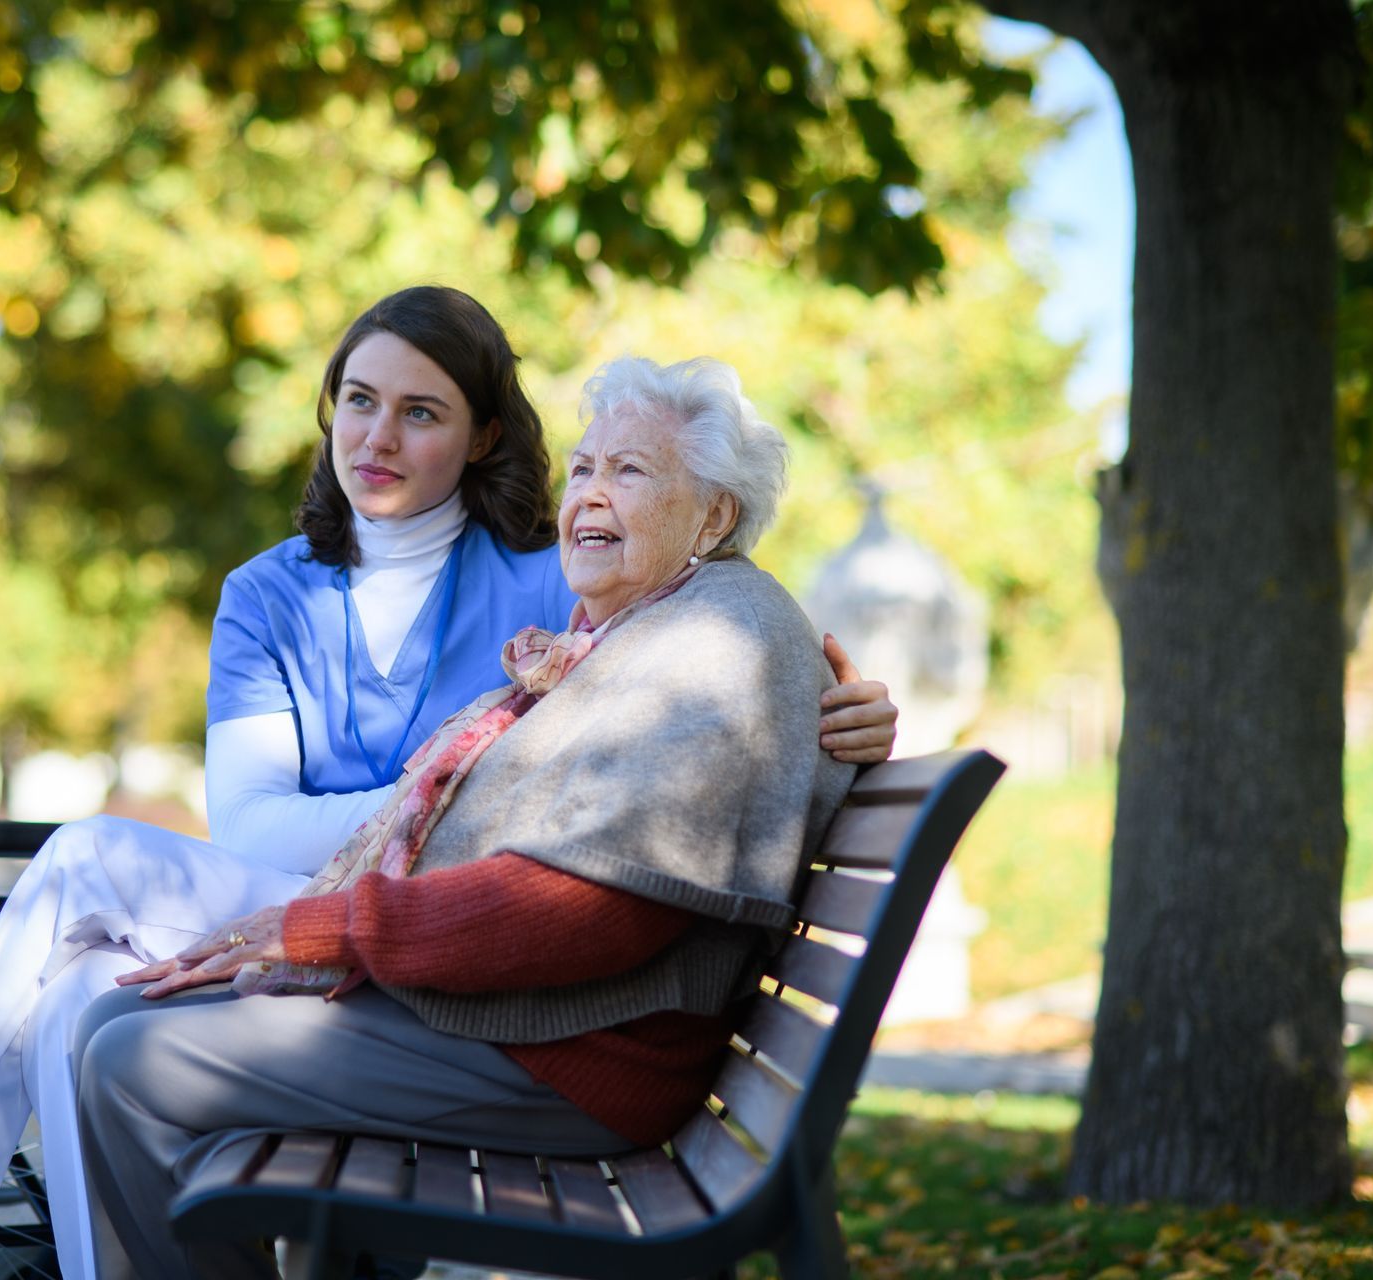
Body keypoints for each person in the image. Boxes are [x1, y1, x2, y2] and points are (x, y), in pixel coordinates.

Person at [0, 295, 895, 1280]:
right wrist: (387, 863)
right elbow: (259, 824)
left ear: (478, 436)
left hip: (507, 998)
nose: (375, 436)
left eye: (419, 411)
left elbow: (727, 705)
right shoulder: (279, 592)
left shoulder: (568, 592)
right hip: (428, 948)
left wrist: (846, 704)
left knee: (101, 962)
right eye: (356, 403)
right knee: (90, 988)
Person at [71, 353, 862, 1280]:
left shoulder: (716, 642)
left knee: (133, 1066)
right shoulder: (646, 632)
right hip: (531, 1026)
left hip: (573, 1058)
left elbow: (595, 911)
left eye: (630, 471)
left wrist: (325, 927)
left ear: (716, 516)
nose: (589, 497)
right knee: (106, 1031)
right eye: (584, 470)